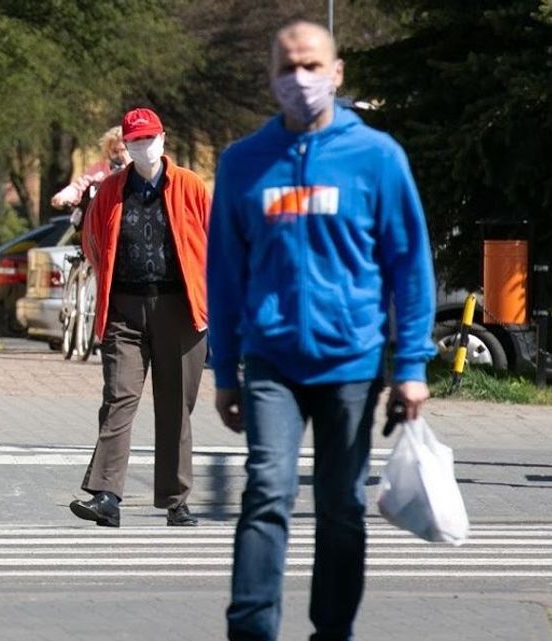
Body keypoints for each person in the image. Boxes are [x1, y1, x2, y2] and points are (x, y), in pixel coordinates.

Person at [207, 20, 436, 641]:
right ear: (270, 78)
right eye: (287, 67)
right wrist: (224, 370)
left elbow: (410, 267)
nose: (300, 78)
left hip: (352, 362)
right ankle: (252, 631)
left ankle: (332, 632)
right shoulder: (243, 163)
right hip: (272, 361)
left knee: (341, 507)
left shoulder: (377, 158)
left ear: (337, 74)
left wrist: (412, 367)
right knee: (266, 492)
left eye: (312, 65)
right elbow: (224, 274)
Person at [69, 107, 211, 528]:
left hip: (180, 308)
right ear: (126, 146)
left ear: (163, 140)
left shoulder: (189, 185)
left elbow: (214, 240)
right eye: (135, 141)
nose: (143, 147)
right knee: (119, 397)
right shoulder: (111, 190)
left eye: (149, 139)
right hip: (125, 309)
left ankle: (175, 500)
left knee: (175, 406)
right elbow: (93, 241)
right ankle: (106, 496)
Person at [49, 126, 129, 214]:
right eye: (115, 151)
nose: (120, 155)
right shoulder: (100, 170)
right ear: (108, 151)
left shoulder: (136, 168)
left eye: (123, 150)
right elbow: (79, 186)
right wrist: (63, 196)